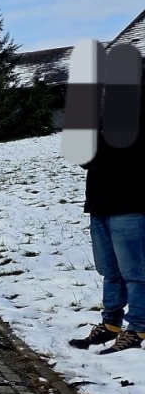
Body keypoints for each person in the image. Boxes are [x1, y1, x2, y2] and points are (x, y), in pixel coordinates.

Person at [68, 63, 145, 355]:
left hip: (132, 203)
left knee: (136, 271)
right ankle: (111, 323)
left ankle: (137, 326)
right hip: (100, 202)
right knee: (110, 270)